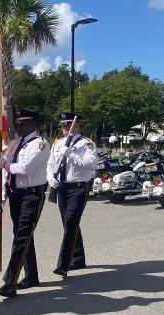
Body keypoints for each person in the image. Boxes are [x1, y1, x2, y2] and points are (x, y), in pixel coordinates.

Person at [0, 108, 50, 297]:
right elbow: (5, 169)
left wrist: (5, 164)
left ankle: (10, 281)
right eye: (17, 123)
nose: (18, 126)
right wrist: (1, 193)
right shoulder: (15, 143)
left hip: (32, 194)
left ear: (32, 124)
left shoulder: (40, 144)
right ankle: (31, 275)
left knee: (22, 235)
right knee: (22, 235)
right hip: (15, 194)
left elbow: (25, 168)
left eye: (22, 123)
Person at [46, 112, 97, 277]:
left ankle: (63, 264)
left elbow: (91, 165)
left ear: (77, 126)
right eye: (63, 125)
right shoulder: (58, 143)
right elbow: (50, 164)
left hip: (78, 188)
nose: (65, 128)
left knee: (70, 224)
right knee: (70, 224)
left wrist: (71, 155)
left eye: (68, 125)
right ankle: (78, 258)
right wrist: (50, 178)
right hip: (62, 188)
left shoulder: (87, 144)